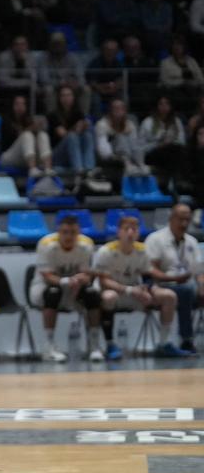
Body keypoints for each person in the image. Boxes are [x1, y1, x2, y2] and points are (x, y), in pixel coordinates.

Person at [94, 216, 189, 360]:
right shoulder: (105, 251)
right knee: (108, 297)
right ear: (119, 232)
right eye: (127, 229)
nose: (130, 233)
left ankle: (164, 344)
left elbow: (147, 276)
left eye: (134, 229)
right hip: (116, 292)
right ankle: (110, 344)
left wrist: (149, 289)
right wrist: (130, 290)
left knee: (169, 296)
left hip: (135, 294)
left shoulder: (142, 250)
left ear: (138, 233)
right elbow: (103, 281)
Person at [29, 215, 104, 362]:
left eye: (73, 232)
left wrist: (83, 279)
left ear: (78, 232)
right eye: (65, 232)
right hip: (45, 286)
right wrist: (66, 281)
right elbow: (47, 275)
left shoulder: (86, 245)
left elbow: (87, 273)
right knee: (53, 293)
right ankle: (49, 345)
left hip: (74, 286)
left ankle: (94, 345)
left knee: (92, 293)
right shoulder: (46, 244)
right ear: (58, 232)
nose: (69, 236)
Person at [145, 204, 204, 354]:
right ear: (171, 219)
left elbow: (198, 271)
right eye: (180, 219)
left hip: (186, 283)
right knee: (186, 291)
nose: (184, 224)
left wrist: (202, 286)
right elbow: (151, 270)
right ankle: (187, 339)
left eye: (187, 220)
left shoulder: (192, 241)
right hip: (160, 285)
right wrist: (174, 278)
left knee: (190, 289)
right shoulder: (155, 239)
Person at [140, 95, 187, 193]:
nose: (164, 107)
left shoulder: (177, 122)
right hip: (152, 154)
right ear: (157, 106)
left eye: (167, 104)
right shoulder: (148, 122)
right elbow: (141, 147)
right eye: (161, 104)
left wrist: (170, 142)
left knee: (176, 150)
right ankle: (172, 184)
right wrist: (158, 144)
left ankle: (174, 183)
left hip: (172, 153)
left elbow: (182, 142)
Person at [47, 84, 96, 176]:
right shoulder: (53, 115)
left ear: (73, 97)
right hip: (58, 155)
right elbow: (63, 134)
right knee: (71, 137)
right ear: (59, 98)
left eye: (69, 95)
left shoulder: (78, 113)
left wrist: (84, 126)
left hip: (75, 152)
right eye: (63, 95)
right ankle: (79, 171)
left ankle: (89, 169)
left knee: (87, 135)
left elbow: (81, 131)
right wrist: (75, 128)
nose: (66, 98)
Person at [0, 95, 52, 177]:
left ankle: (48, 169)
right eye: (17, 104)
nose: (20, 107)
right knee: (27, 135)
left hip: (28, 158)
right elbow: (13, 137)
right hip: (9, 157)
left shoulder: (28, 120)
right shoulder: (6, 120)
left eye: (23, 104)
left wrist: (37, 128)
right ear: (13, 106)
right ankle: (32, 169)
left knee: (42, 134)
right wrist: (30, 129)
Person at [38, 31, 88, 113]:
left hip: (71, 88)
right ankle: (53, 119)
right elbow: (44, 79)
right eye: (55, 44)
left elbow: (81, 77)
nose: (58, 46)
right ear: (50, 45)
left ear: (65, 44)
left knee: (86, 89)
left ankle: (83, 118)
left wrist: (76, 84)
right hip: (54, 88)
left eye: (60, 43)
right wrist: (60, 83)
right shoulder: (44, 58)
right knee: (48, 90)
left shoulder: (73, 58)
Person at [96, 98, 147, 175]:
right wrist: (115, 157)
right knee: (121, 137)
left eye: (121, 108)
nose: (118, 111)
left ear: (125, 111)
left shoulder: (130, 124)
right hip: (112, 156)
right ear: (110, 111)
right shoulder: (102, 124)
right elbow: (103, 149)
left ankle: (141, 165)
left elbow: (135, 145)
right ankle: (128, 164)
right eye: (115, 108)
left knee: (134, 141)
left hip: (129, 155)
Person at [159, 36, 204, 111]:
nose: (177, 47)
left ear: (184, 46)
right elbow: (164, 81)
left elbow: (201, 79)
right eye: (175, 44)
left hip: (193, 91)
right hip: (174, 92)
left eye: (180, 44)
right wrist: (182, 81)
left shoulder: (191, 61)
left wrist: (191, 83)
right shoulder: (165, 62)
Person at [0, 35, 36, 105]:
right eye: (17, 44)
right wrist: (25, 83)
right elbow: (3, 81)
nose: (20, 47)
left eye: (23, 44)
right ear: (12, 46)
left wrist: (24, 62)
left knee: (34, 91)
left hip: (25, 90)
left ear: (27, 46)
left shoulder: (31, 57)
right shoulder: (3, 57)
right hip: (8, 90)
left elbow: (33, 78)